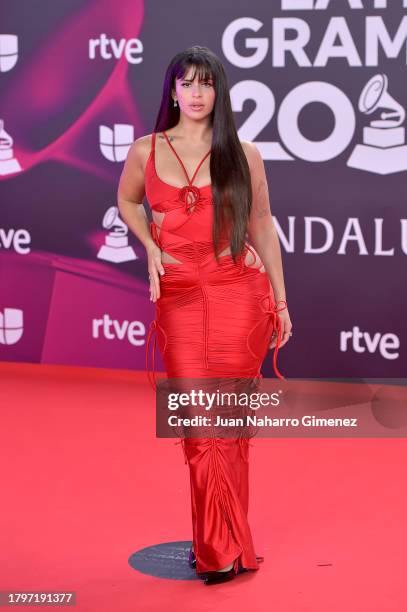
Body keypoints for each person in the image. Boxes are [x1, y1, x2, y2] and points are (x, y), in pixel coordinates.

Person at [117, 45, 292, 585]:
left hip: (241, 293)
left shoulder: (245, 153)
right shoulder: (146, 150)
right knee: (198, 426)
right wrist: (149, 244)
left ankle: (222, 550)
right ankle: (224, 541)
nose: (196, 93)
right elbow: (127, 203)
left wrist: (281, 300)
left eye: (206, 83)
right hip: (180, 297)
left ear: (219, 91)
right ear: (171, 90)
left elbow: (263, 225)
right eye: (186, 83)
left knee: (230, 426)